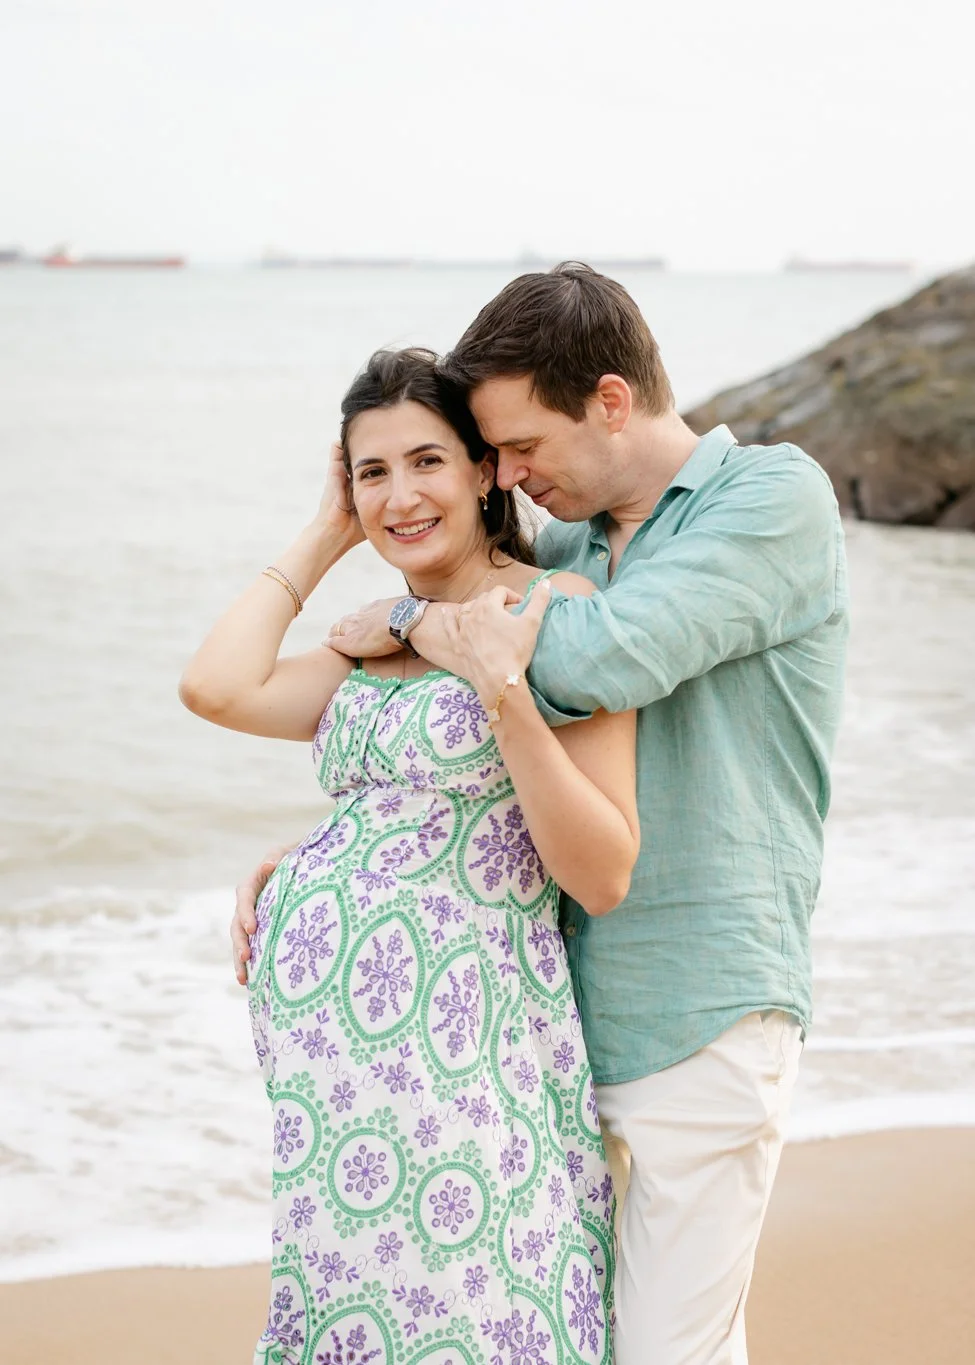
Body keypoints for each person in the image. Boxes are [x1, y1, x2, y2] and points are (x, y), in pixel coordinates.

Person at [233, 264, 849, 1365]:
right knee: (562, 1333)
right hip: (547, 1021)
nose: (508, 475)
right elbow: (486, 740)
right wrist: (352, 853)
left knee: (674, 1352)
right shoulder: (564, 547)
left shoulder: (770, 499)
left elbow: (604, 653)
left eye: (520, 448)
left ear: (610, 401)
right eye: (495, 455)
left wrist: (417, 617)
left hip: (701, 1001)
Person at [181, 347, 638, 1365]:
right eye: (372, 472)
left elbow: (602, 870)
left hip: (466, 1073)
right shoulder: (365, 643)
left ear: (486, 471)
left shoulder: (553, 611)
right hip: (337, 1099)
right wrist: (322, 534)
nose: (401, 496)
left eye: (427, 461)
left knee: (474, 1327)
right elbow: (215, 688)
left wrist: (497, 682)